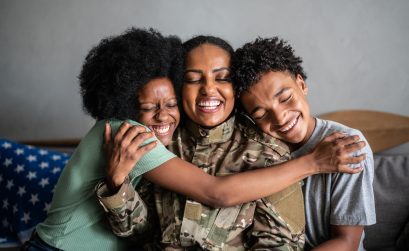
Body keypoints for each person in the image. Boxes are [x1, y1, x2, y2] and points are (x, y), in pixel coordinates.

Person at [98, 36, 368, 250]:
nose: (208, 89)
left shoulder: (269, 152)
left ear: (234, 90)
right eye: (193, 79)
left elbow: (280, 245)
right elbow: (136, 234)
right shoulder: (161, 142)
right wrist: (117, 185)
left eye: (222, 77)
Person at [232, 37, 376, 251]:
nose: (280, 118)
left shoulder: (346, 145)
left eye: (285, 98)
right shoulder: (256, 151)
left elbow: (347, 242)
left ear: (301, 84)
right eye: (262, 114)